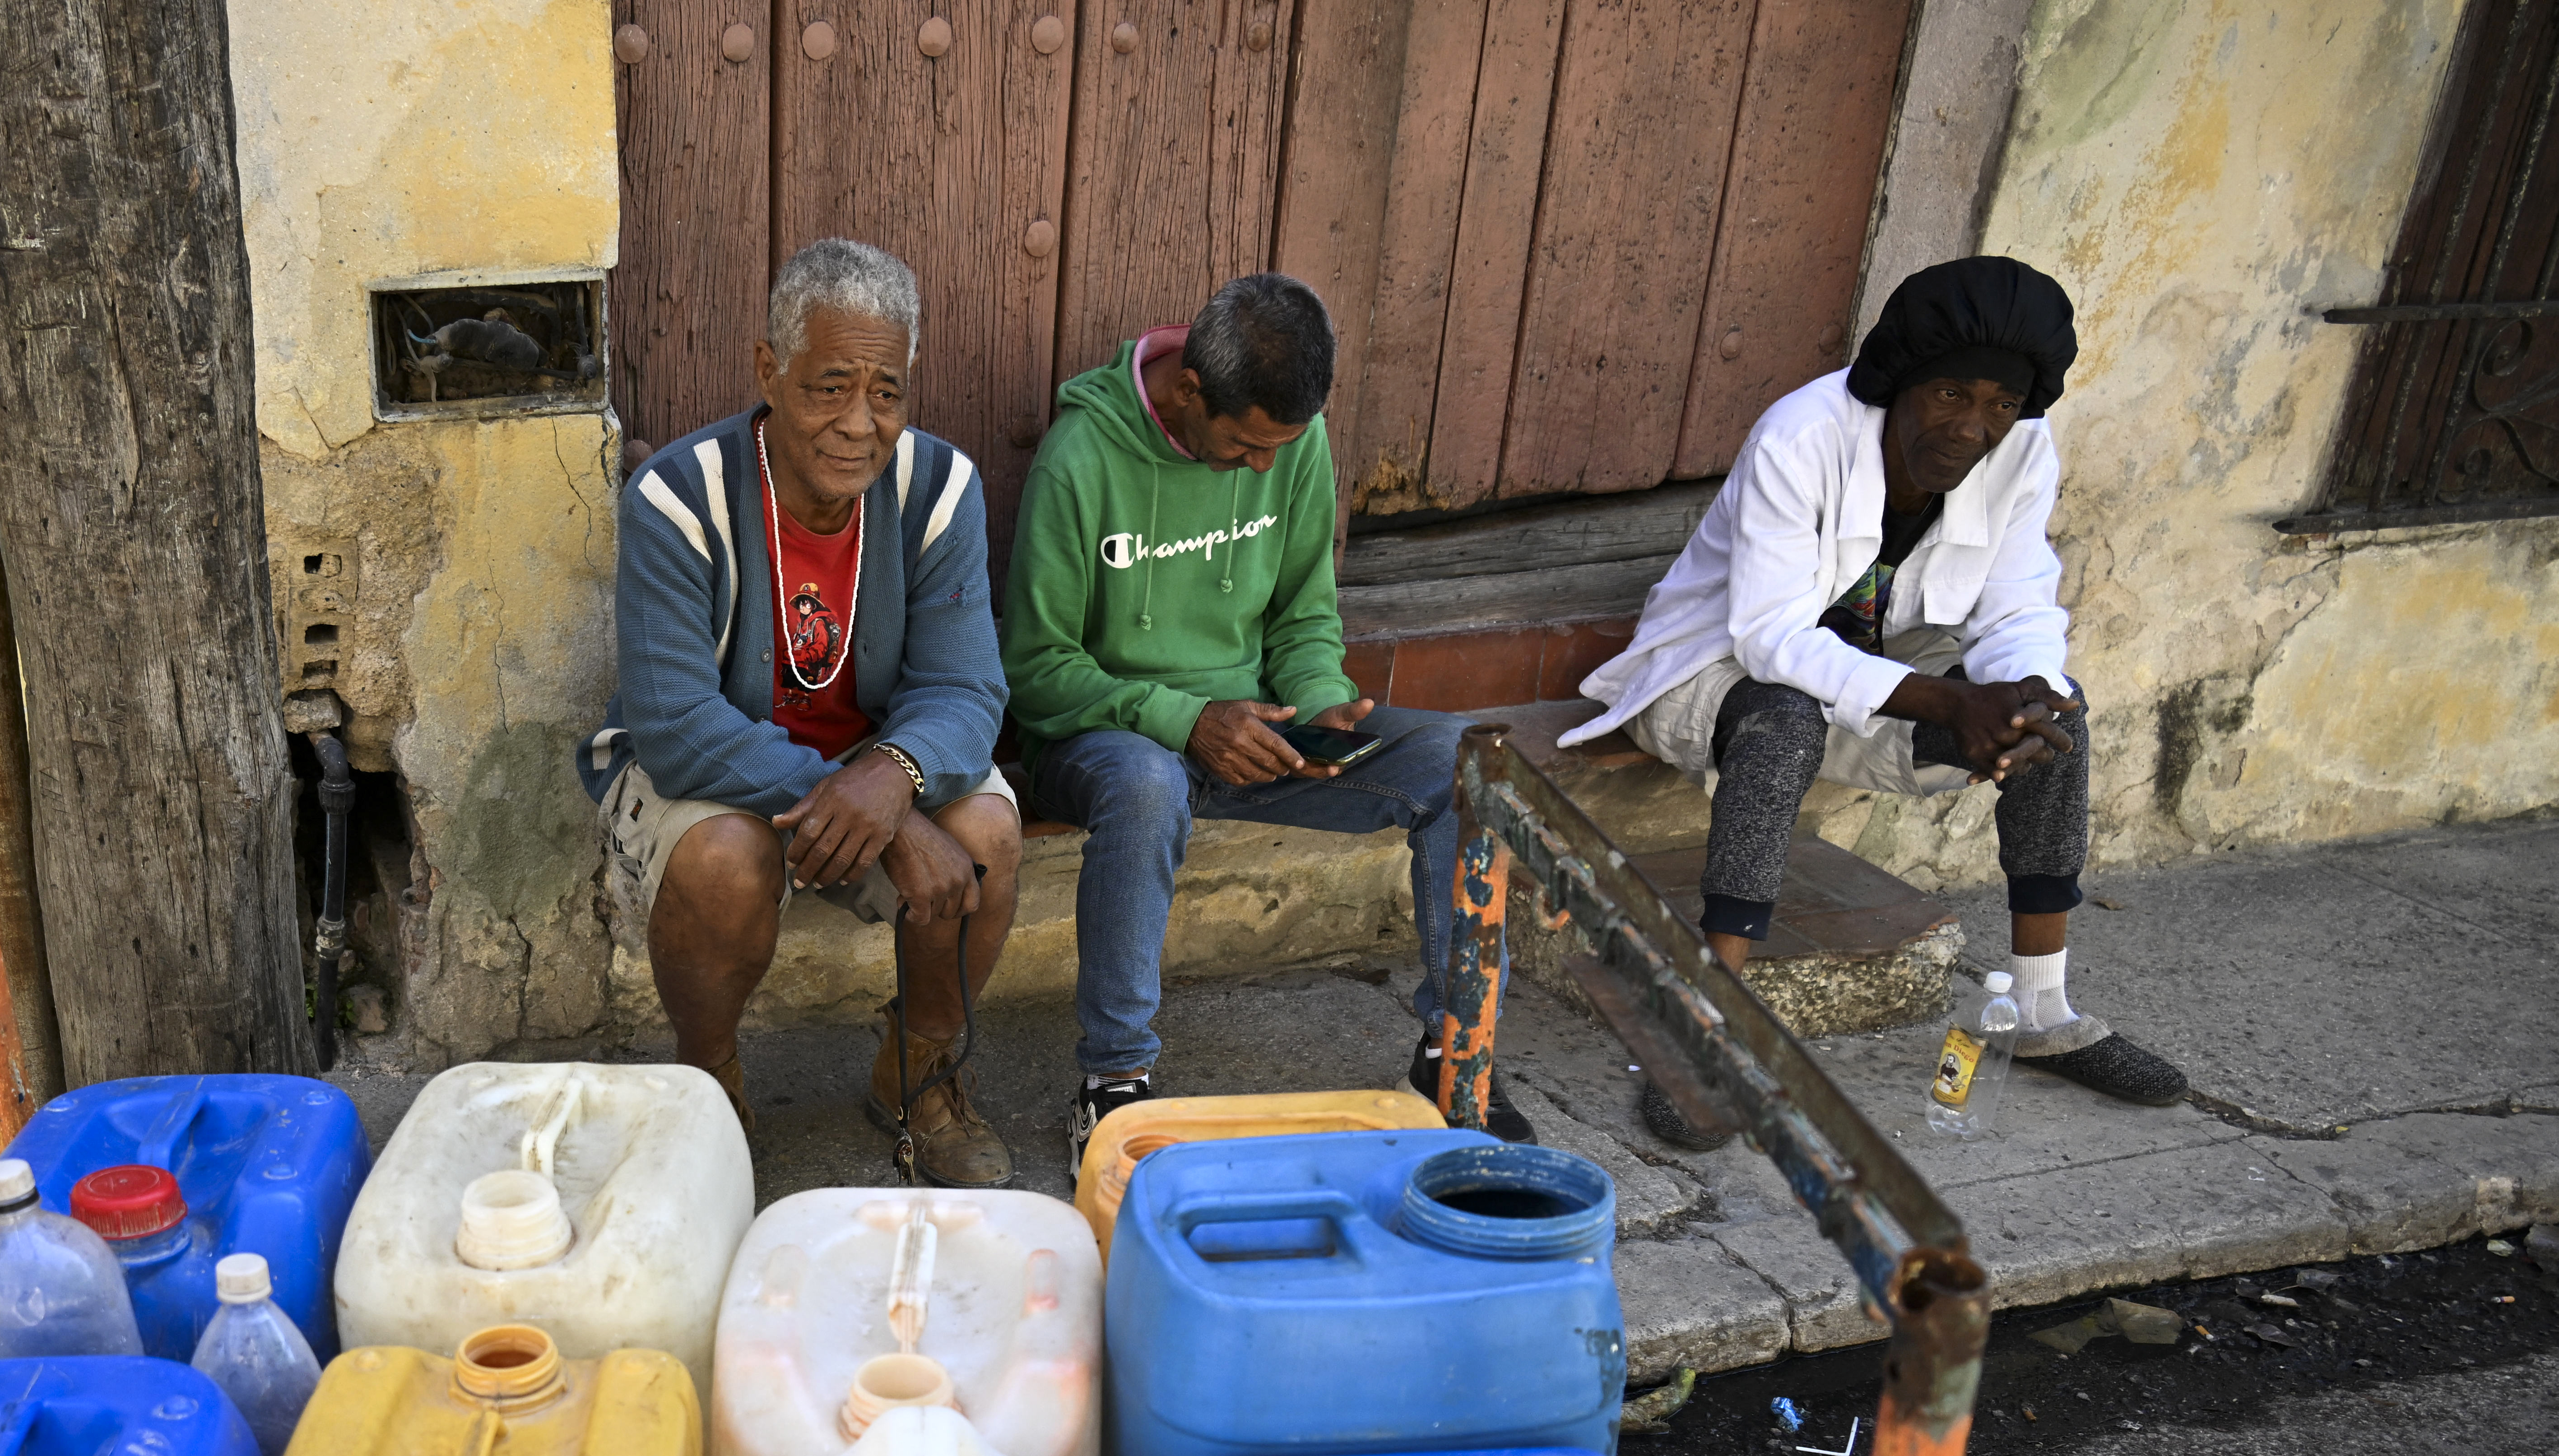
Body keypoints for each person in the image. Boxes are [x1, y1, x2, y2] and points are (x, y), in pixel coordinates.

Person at [1567, 254, 2185, 1150]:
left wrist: (2022, 699)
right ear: (1902, 379)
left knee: (2060, 711)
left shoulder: (2022, 452)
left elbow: (2018, 605)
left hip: (1880, 681)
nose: (1973, 428)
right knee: (1783, 718)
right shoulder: (1801, 436)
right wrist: (1945, 701)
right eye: (1951, 397)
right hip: (1714, 678)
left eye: (1999, 406)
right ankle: (1701, 1029)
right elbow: (1770, 636)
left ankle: (2043, 1008)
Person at [1003, 272, 1519, 1169]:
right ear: (1189, 393)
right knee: (1146, 781)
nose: (1264, 469)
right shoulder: (1079, 459)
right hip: (1105, 739)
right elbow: (1037, 671)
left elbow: (1302, 615)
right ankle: (1113, 1083)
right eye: (1245, 446)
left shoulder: (1296, 439)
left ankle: (1456, 1056)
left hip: (1259, 730)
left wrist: (1322, 700)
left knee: (1464, 765)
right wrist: (1188, 718)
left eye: (1281, 446)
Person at [579, 239, 1017, 1186]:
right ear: (768, 372)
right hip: (715, 772)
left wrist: (891, 781)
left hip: (872, 761)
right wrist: (862, 805)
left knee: (986, 829)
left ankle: (921, 1074)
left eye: (888, 393)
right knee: (725, 861)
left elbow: (967, 690)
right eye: (830, 387)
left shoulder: (940, 491)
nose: (861, 424)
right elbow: (678, 725)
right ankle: (708, 1084)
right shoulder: (679, 498)